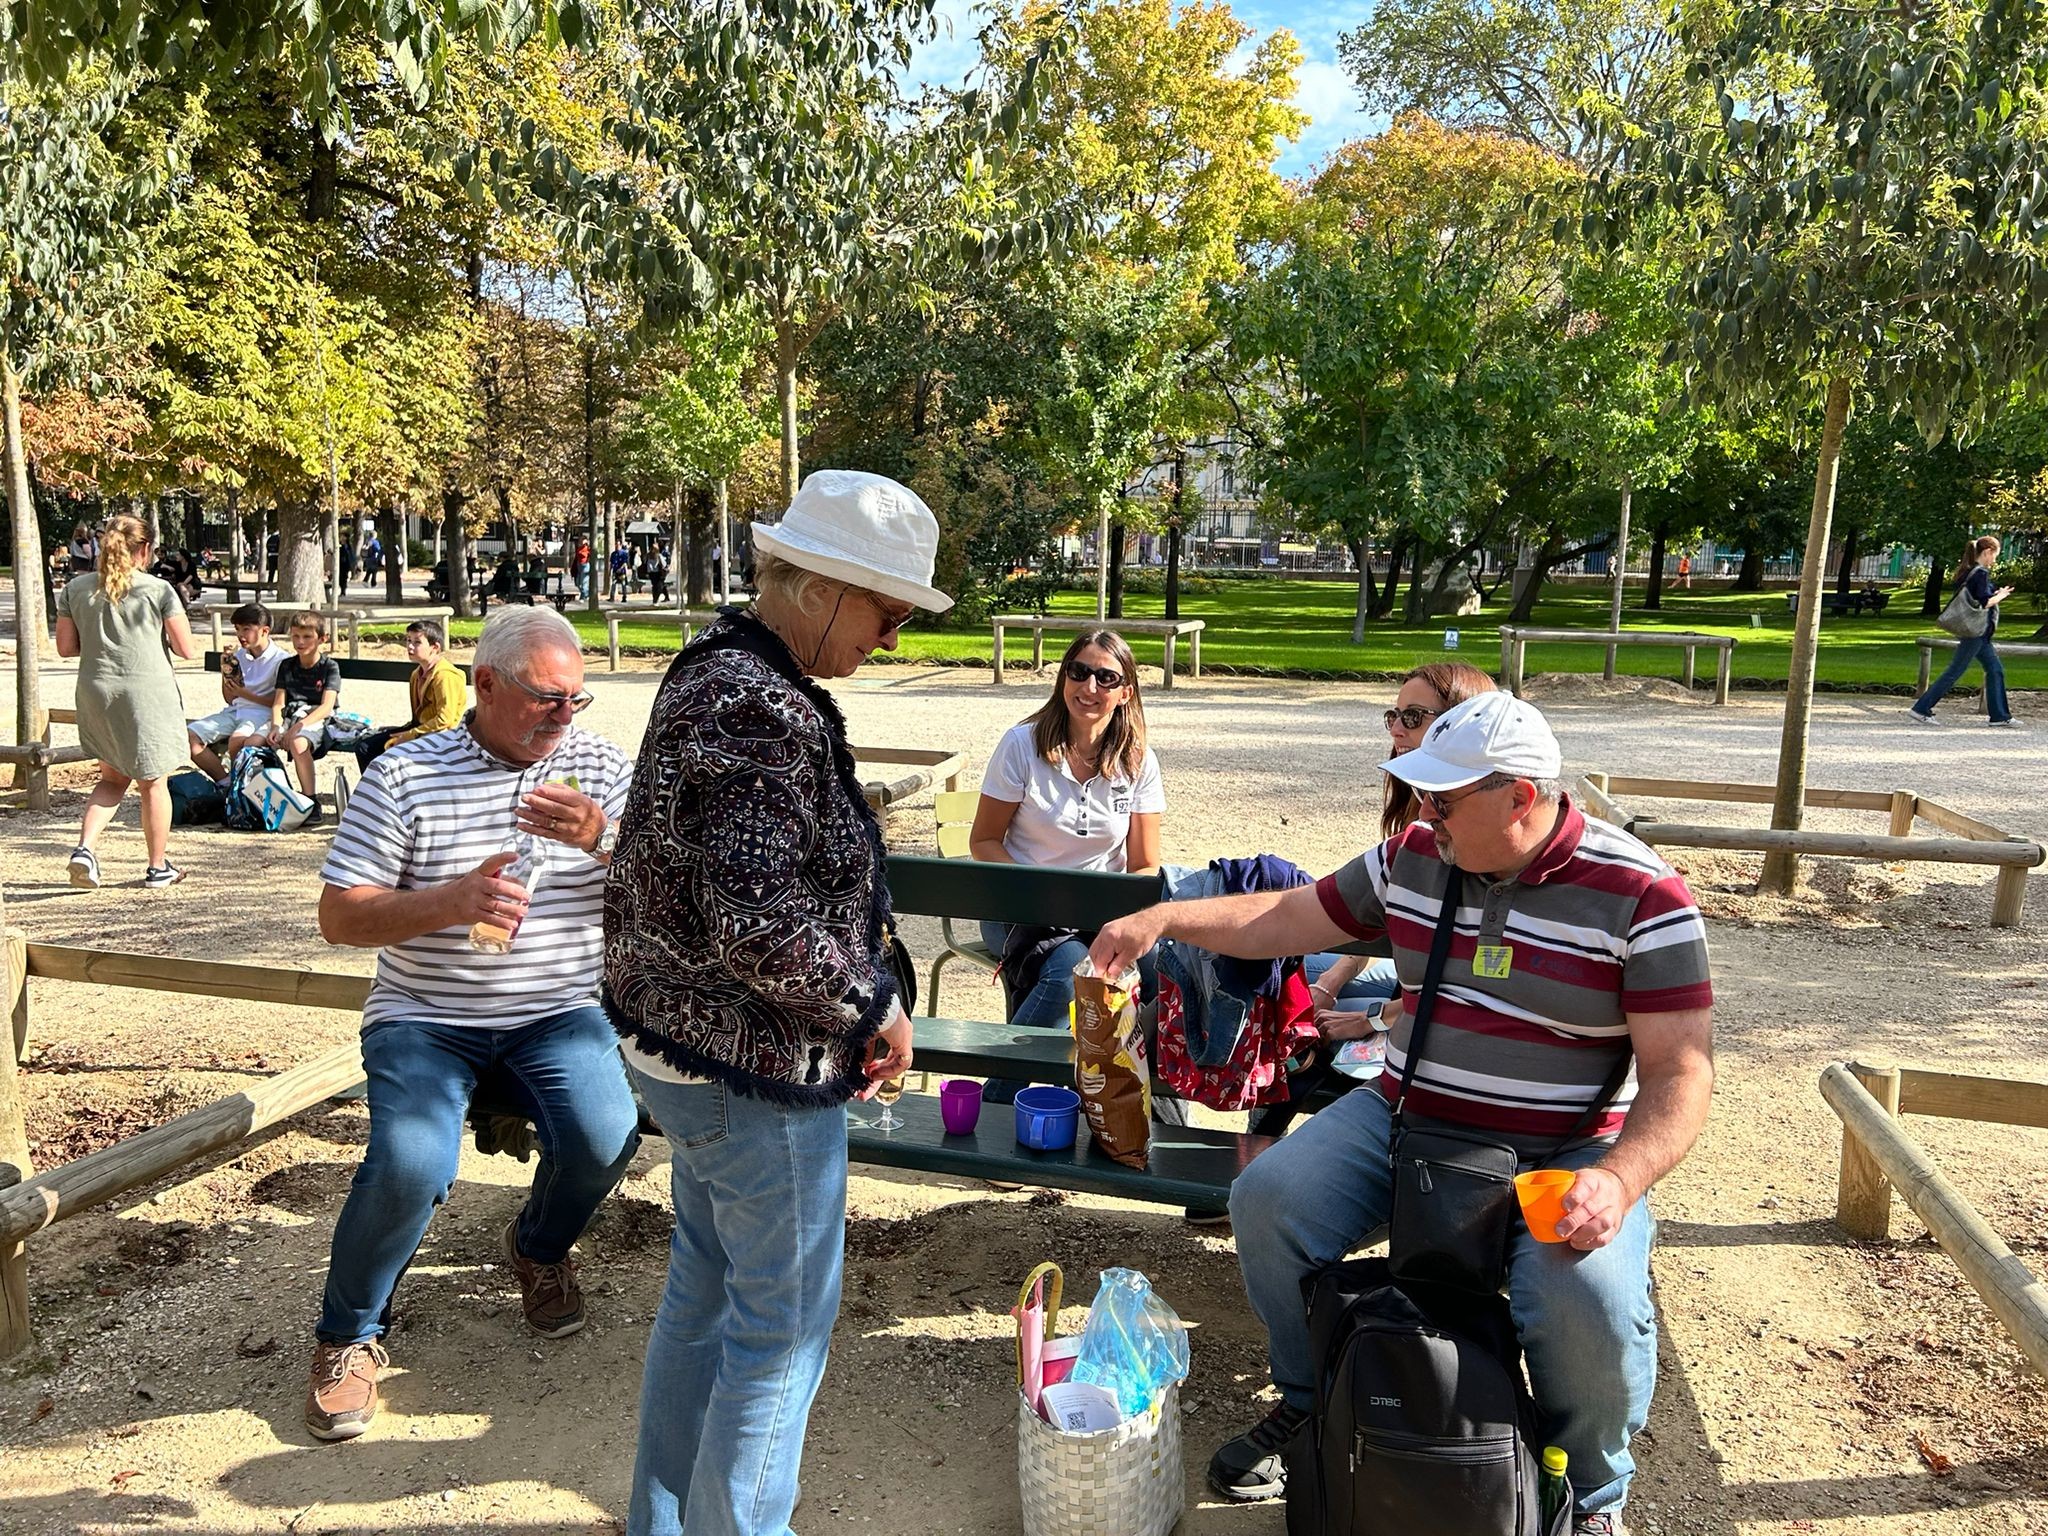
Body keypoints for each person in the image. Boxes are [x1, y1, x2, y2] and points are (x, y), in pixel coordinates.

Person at [1086, 692, 1715, 1536]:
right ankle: (1318, 1400)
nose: (1424, 814)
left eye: (1442, 799)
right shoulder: (1415, 855)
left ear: (1520, 797)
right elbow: (1290, 914)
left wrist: (1619, 1178)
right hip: (1406, 1118)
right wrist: (1164, 918)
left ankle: (1588, 1492)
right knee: (1269, 1199)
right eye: (1422, 796)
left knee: (1587, 1303)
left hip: (1565, 1150)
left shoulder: (1643, 894)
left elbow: (1681, 1072)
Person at [604, 468, 947, 1536]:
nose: (888, 638)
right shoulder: (759, 708)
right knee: (779, 1328)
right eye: (886, 612)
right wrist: (871, 1003)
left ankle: (665, 1521)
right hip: (751, 1073)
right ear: (821, 589)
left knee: (704, 1298)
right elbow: (758, 924)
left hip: (678, 1049)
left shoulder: (716, 668)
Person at [305, 605, 639, 1441]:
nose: (565, 717)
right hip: (426, 1013)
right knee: (412, 1162)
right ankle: (348, 1335)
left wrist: (605, 839)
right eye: (545, 699)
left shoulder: (599, 767)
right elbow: (341, 917)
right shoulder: (406, 773)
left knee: (607, 1134)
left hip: (558, 1009)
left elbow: (669, 887)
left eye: (577, 700)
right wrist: (451, 901)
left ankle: (537, 1245)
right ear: (484, 684)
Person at [967, 629, 1164, 1050]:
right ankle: (999, 1099)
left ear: (1126, 692)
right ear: (1063, 679)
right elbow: (984, 841)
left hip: (1101, 912)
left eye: (1106, 678)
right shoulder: (1022, 745)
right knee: (1071, 971)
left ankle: (1144, 1103)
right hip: (1020, 905)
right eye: (1079, 672)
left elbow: (1144, 864)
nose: (1089, 687)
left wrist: (1120, 918)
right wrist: (1039, 893)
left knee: (1166, 969)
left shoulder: (1139, 761)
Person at [1302, 662, 1499, 1040]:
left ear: (1461, 724)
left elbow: (1463, 979)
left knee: (1298, 1001)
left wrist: (1370, 1019)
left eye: (1413, 717)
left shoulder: (1466, 829)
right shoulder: (1416, 805)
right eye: (1393, 716)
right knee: (1297, 978)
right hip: (1407, 980)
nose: (1396, 729)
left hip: (1429, 1009)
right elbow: (1372, 910)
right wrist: (1329, 983)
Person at [55, 514, 204, 890]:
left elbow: (65, 647)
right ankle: (157, 866)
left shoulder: (76, 588)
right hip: (146, 692)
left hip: (96, 691)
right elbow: (187, 649)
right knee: (154, 783)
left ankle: (85, 850)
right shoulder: (157, 590)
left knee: (112, 778)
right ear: (146, 549)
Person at [1910, 536, 2019, 727]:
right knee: (1955, 671)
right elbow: (1984, 603)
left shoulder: (1969, 572)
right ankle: (1921, 708)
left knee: (1995, 670)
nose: (1995, 560)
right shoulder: (1980, 574)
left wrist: (1994, 594)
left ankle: (2000, 716)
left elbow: (1976, 598)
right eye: (1995, 555)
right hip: (1975, 632)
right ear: (1987, 553)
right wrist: (2000, 596)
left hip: (1980, 634)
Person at [188, 602, 289, 783]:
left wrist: (246, 694)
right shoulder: (240, 656)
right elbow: (230, 699)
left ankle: (239, 786)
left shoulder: (281, 660)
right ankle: (226, 782)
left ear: (264, 631)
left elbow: (281, 703)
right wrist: (226, 671)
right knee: (189, 737)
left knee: (237, 739)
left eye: (246, 629)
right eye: (237, 629)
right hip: (236, 711)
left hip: (262, 714)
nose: (240, 635)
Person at [354, 619, 467, 769]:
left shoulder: (445, 676)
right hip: (420, 729)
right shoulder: (417, 674)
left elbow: (445, 720)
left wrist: (410, 734)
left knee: (388, 752)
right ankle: (376, 790)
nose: (410, 646)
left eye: (417, 642)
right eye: (408, 640)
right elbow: (418, 716)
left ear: (435, 647)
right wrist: (405, 731)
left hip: (442, 735)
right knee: (365, 746)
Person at [266, 611, 343, 815]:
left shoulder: (329, 667)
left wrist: (296, 729)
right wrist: (276, 727)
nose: (300, 642)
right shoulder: (287, 665)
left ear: (322, 639)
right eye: (296, 636)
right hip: (291, 715)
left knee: (298, 742)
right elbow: (278, 703)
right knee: (255, 741)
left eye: (307, 637)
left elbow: (327, 707)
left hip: (317, 717)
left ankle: (310, 801)